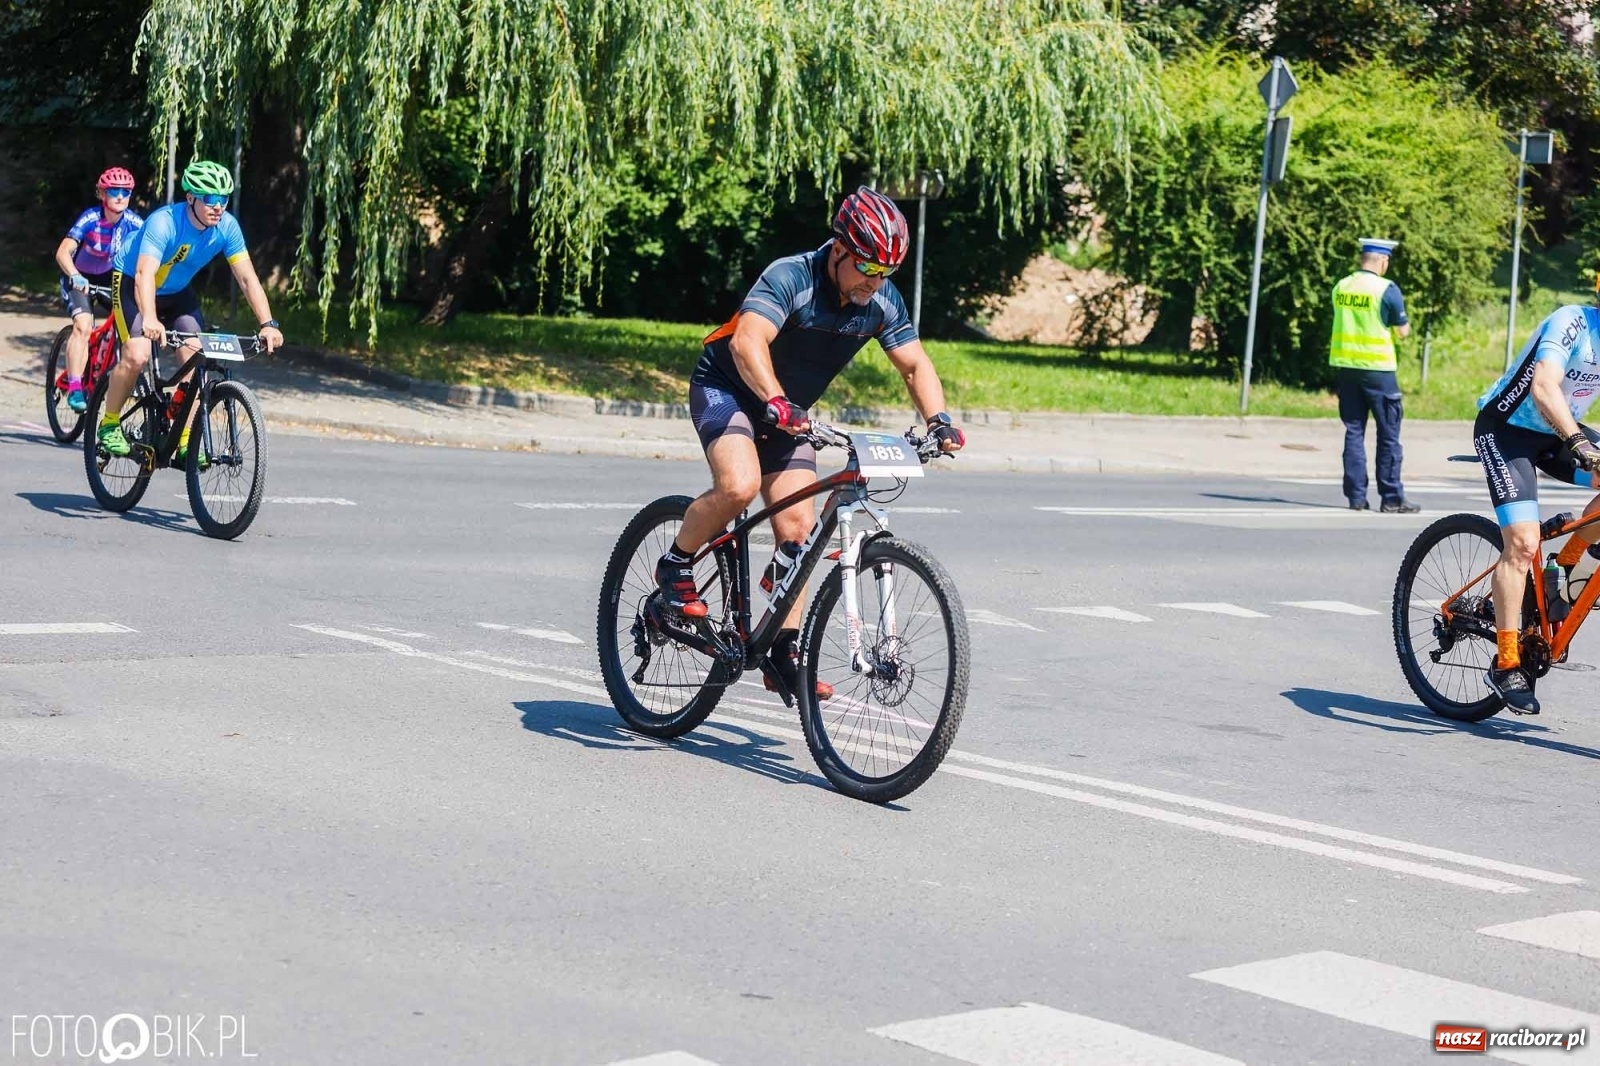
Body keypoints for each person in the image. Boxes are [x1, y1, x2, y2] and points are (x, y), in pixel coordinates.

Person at [654, 185, 966, 702]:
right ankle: (677, 563)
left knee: (798, 529)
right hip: (729, 388)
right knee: (739, 485)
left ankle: (782, 647)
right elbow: (747, 341)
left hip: (788, 412)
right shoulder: (791, 276)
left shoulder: (880, 298)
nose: (875, 280)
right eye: (867, 266)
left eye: (886, 271)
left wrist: (940, 421)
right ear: (840, 248)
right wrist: (776, 400)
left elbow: (913, 363)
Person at [97, 160, 283, 462]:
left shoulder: (227, 228)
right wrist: (151, 318)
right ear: (191, 198)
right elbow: (144, 275)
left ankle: (184, 439)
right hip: (133, 281)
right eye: (210, 199)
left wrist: (268, 323)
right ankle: (108, 425)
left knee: (197, 355)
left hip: (176, 292)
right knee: (137, 354)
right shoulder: (164, 223)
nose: (218, 207)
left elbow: (248, 279)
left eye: (223, 199)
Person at [1470, 292, 1600, 715]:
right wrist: (1579, 442)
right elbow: (1543, 385)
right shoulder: (1574, 321)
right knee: (1523, 545)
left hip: (1557, 434)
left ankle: (1564, 571)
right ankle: (1507, 662)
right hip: (1506, 432)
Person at [1330, 237, 1418, 513]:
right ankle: (1391, 498)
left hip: (1347, 369)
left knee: (1354, 431)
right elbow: (1402, 331)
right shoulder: (1386, 289)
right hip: (1379, 371)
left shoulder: (1341, 286)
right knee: (1388, 434)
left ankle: (1356, 498)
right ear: (1382, 260)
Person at [53, 168, 144, 413]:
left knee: (127, 324)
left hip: (110, 277)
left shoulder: (135, 223)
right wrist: (74, 275)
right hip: (80, 276)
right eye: (114, 191)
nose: (120, 197)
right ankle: (74, 387)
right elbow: (63, 252)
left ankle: (106, 371)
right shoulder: (90, 218)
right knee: (83, 326)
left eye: (126, 192)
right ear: (102, 194)